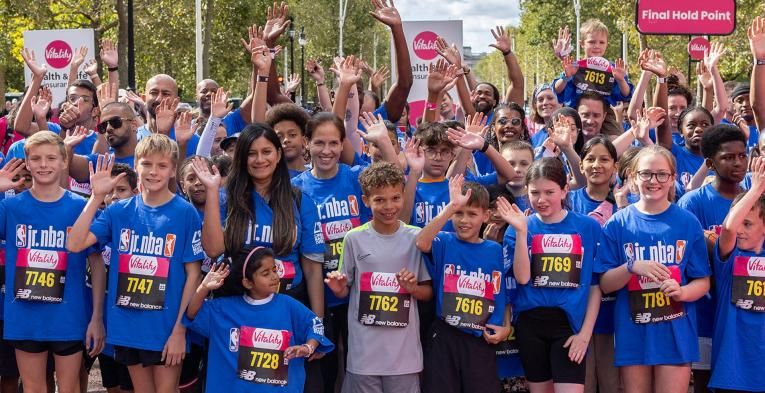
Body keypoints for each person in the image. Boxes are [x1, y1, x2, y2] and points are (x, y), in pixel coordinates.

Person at [66, 135, 204, 393]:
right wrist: (96, 197)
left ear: (173, 170)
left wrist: (180, 330)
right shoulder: (118, 211)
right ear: (136, 165)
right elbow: (75, 244)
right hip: (128, 327)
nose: (153, 171)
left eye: (162, 165)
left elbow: (193, 275)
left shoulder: (185, 212)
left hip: (166, 329)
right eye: (146, 164)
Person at [596, 145, 711, 393]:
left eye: (661, 174)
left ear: (672, 179)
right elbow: (605, 283)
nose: (653, 180)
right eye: (646, 173)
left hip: (676, 332)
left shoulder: (687, 222)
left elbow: (703, 282)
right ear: (634, 177)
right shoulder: (618, 223)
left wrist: (683, 293)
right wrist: (632, 266)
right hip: (633, 332)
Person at [0, 132, 105, 393]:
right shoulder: (11, 208)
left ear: (63, 162)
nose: (43, 164)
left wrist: (96, 318)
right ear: (26, 162)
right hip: (25, 317)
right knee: (34, 388)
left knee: (69, 387)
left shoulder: (81, 207)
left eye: (50, 158)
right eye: (35, 158)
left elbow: (97, 263)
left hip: (68, 316)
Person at [324, 161, 432, 393]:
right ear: (366, 201)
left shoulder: (417, 238)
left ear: (403, 196)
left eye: (395, 198)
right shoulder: (353, 238)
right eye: (379, 200)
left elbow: (428, 292)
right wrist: (338, 288)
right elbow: (345, 290)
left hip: (404, 356)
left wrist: (412, 288)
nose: (388, 206)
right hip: (364, 354)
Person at [501, 158, 602, 393]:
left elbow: (595, 286)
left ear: (565, 190)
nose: (541, 200)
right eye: (535, 192)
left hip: (569, 326)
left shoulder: (587, 227)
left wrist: (585, 335)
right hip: (530, 325)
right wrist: (522, 230)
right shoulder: (519, 226)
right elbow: (522, 278)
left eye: (549, 192)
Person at [184, 247, 333, 392]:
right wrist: (203, 287)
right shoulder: (223, 309)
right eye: (265, 273)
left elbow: (315, 326)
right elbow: (192, 313)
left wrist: (307, 348)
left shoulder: (289, 305)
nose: (274, 276)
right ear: (247, 282)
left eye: (274, 270)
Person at [415, 176, 509, 393]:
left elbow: (498, 291)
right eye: (459, 213)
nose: (464, 220)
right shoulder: (444, 241)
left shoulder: (493, 249)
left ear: (486, 216)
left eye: (472, 214)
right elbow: (421, 242)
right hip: (445, 335)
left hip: (479, 338)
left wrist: (504, 325)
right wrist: (450, 207)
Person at [677, 124, 748, 393]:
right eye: (728, 157)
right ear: (710, 162)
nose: (738, 163)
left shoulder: (755, 198)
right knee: (705, 383)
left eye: (742, 155)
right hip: (706, 312)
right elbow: (691, 261)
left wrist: (714, 242)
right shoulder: (692, 203)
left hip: (744, 311)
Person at [708, 156, 765, 393]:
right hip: (732, 371)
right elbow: (730, 227)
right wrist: (757, 189)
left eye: (748, 224)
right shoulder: (729, 257)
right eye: (740, 220)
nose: (740, 229)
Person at [266, 104, 311, 178]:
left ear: (304, 139)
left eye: (292, 135)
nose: (286, 140)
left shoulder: (316, 174)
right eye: (279, 137)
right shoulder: (269, 177)